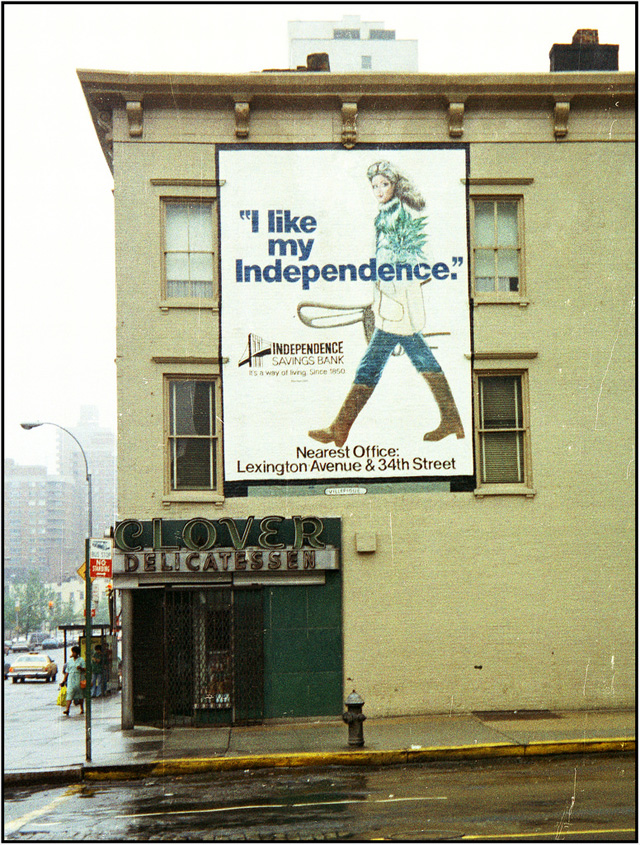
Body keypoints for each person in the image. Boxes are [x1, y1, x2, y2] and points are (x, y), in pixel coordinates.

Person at [309, 160, 464, 447]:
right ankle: (452, 419)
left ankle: (339, 429)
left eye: (384, 184)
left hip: (399, 308)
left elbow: (425, 263)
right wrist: (381, 296)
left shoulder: (403, 216)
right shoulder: (385, 216)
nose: (379, 190)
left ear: (396, 186)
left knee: (370, 364)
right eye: (375, 186)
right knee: (419, 359)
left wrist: (395, 288)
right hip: (391, 306)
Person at [61, 645, 86, 716]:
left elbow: (85, 669)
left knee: (80, 694)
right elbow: (67, 671)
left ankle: (82, 708)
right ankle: (67, 709)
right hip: (71, 679)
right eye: (72, 652)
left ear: (77, 653)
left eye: (74, 652)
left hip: (79, 678)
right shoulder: (70, 661)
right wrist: (64, 681)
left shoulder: (81, 660)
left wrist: (80, 668)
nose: (73, 654)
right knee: (69, 693)